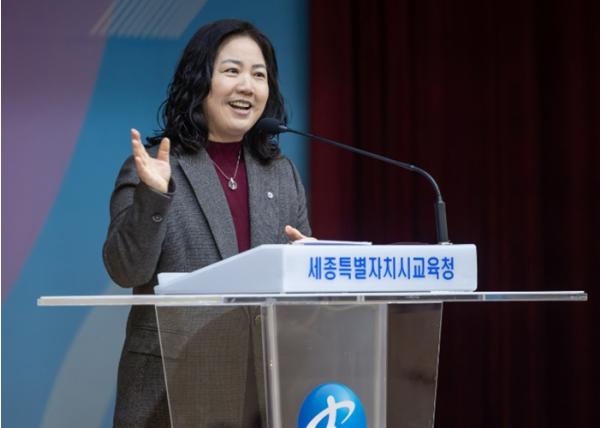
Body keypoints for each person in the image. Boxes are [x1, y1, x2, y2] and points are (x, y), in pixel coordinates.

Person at [103, 19, 311, 427]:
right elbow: (126, 270)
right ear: (199, 82)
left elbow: (294, 285)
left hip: (262, 394)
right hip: (173, 393)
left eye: (259, 75)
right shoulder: (155, 167)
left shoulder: (280, 174)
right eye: (232, 71)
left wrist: (308, 266)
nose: (247, 86)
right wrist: (154, 195)